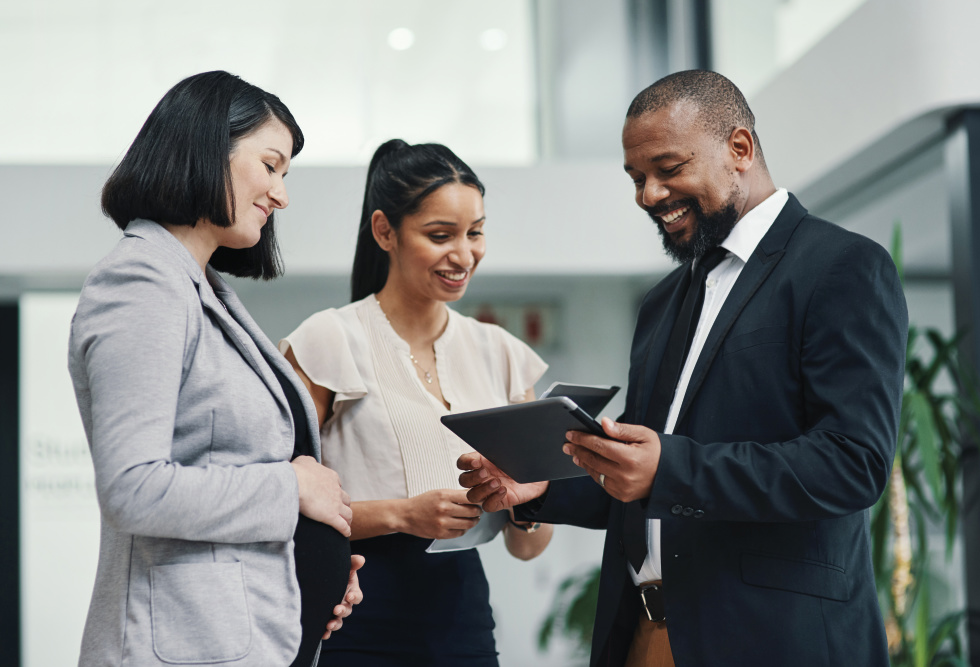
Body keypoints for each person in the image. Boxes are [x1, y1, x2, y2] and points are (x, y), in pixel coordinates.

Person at [460, 70, 908, 667]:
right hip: (644, 639)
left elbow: (853, 463)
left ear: (739, 149)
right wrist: (543, 490)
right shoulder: (664, 301)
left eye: (668, 169)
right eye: (637, 178)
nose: (648, 195)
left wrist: (669, 467)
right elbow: (642, 478)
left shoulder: (842, 268)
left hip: (775, 642)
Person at [69, 71, 362, 667]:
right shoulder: (141, 283)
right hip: (180, 644)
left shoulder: (202, 287)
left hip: (235, 636)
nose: (282, 195)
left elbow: (220, 471)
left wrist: (299, 561)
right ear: (207, 147)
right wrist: (292, 490)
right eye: (272, 165)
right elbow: (135, 489)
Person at [280, 139, 554, 667]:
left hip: (463, 616)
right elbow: (279, 500)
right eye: (440, 235)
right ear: (385, 231)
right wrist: (403, 514)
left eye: (475, 233)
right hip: (355, 609)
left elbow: (527, 548)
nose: (464, 253)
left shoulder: (502, 354)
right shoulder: (327, 340)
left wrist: (526, 506)